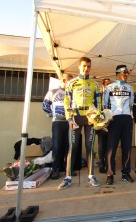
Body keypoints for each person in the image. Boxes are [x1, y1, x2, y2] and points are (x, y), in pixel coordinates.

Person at [58, 57, 102, 189]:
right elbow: (66, 102)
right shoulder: (71, 83)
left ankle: (91, 176)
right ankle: (68, 177)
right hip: (75, 117)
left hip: (89, 118)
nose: (86, 68)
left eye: (88, 66)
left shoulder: (94, 85)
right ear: (79, 66)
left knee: (90, 146)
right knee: (73, 147)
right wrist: (69, 119)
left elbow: (99, 103)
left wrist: (97, 118)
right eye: (84, 66)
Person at [103, 65, 134, 185]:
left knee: (127, 147)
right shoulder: (109, 87)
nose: (126, 74)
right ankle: (110, 174)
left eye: (127, 72)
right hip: (114, 119)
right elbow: (105, 105)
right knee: (111, 147)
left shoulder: (130, 88)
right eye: (123, 72)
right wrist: (106, 119)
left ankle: (125, 173)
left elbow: (131, 105)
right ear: (117, 73)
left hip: (126, 119)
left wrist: (131, 117)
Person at [43, 73, 73, 179]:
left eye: (70, 81)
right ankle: (55, 169)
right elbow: (45, 105)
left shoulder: (72, 93)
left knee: (68, 146)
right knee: (57, 146)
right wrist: (53, 114)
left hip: (70, 123)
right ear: (63, 80)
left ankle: (67, 169)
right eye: (68, 81)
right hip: (57, 123)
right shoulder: (53, 91)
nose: (69, 83)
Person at [97, 78, 111, 173]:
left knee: (109, 145)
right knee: (102, 145)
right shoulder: (99, 96)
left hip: (111, 124)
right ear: (102, 85)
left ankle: (108, 164)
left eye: (109, 84)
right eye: (106, 84)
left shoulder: (113, 96)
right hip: (101, 124)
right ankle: (101, 163)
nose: (107, 86)